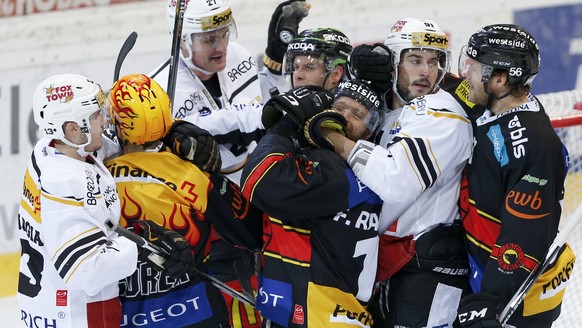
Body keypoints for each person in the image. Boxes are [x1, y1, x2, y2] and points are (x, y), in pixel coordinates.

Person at [322, 17, 474, 327]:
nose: (425, 71)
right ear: (393, 62)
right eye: (414, 60)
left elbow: (395, 183)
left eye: (434, 62)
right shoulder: (395, 106)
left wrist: (335, 140)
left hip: (428, 266)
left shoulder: (443, 116)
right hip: (393, 261)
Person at [17, 73, 191, 328]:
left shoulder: (49, 148)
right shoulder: (66, 182)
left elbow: (105, 149)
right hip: (78, 315)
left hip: (47, 306)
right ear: (73, 128)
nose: (105, 120)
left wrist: (148, 136)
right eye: (96, 115)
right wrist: (143, 245)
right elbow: (86, 270)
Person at [106, 73, 264, 328]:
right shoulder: (191, 175)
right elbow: (251, 232)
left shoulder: (94, 176)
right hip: (195, 313)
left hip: (125, 317)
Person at [455, 24, 575, 328]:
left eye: (474, 68)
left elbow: (524, 237)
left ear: (499, 78)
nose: (466, 75)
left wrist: (489, 302)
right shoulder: (496, 106)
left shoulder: (533, 145)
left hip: (516, 300)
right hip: (488, 276)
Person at [152, 1, 264, 324]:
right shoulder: (161, 90)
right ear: (183, 42)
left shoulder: (240, 56)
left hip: (255, 204)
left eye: (224, 33)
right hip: (209, 223)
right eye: (208, 39)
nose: (221, 46)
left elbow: (243, 125)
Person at [240, 80, 383, 327]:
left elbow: (259, 179)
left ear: (368, 133)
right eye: (339, 107)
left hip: (317, 314)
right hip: (321, 311)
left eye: (358, 114)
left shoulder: (335, 168)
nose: (345, 117)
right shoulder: (333, 167)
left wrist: (285, 126)